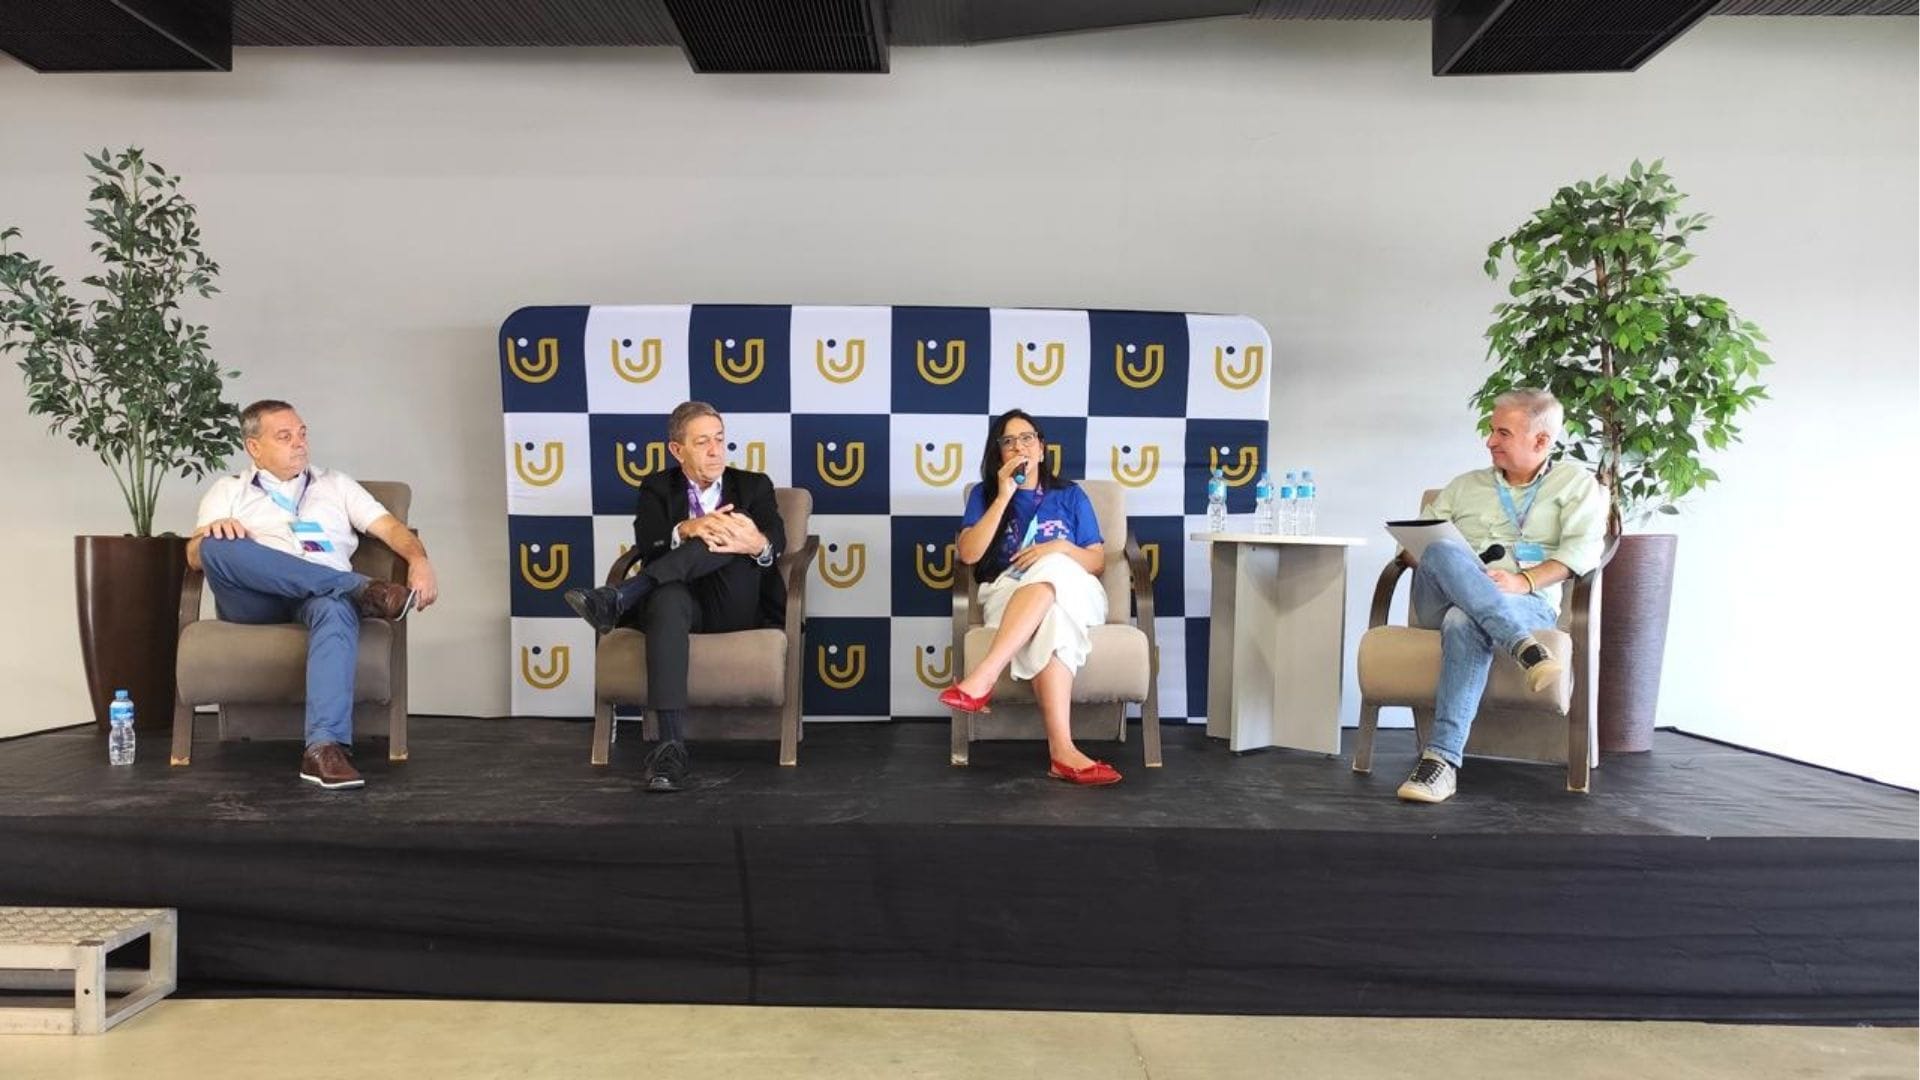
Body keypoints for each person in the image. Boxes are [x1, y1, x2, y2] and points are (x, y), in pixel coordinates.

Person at [187, 399, 438, 791]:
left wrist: (419, 559)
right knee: (214, 545)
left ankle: (323, 749)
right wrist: (217, 529)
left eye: (302, 433)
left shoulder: (336, 485)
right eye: (284, 436)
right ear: (254, 447)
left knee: (335, 607)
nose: (299, 443)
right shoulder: (229, 490)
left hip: (318, 599)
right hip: (254, 600)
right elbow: (194, 555)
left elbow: (392, 529)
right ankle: (361, 589)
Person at [1395, 388, 1607, 804]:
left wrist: (1523, 581)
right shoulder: (1463, 486)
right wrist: (1443, 560)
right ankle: (1524, 649)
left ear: (1541, 440)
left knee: (1464, 619)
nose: (1489, 441)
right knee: (1440, 550)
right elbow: (1410, 549)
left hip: (1525, 602)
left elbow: (1582, 553)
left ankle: (1440, 762)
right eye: (1492, 431)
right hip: (1441, 597)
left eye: (1502, 433)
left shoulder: (1574, 485)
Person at [562, 401, 785, 794]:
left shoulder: (754, 485)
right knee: (668, 597)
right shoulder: (656, 487)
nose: (715, 451)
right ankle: (670, 749)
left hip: (734, 603)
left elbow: (777, 542)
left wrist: (757, 543)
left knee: (731, 529)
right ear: (677, 450)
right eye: (702, 442)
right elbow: (649, 543)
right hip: (680, 603)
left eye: (720, 439)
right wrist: (685, 529)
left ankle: (623, 596)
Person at [939, 409, 1120, 786]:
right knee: (1053, 619)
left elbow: (1097, 562)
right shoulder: (985, 495)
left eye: (1027, 438)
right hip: (1010, 593)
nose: (1019, 447)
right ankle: (1063, 753)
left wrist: (1060, 548)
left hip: (1077, 589)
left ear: (1041, 448)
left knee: (1053, 568)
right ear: (999, 454)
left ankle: (983, 677)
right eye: (1008, 441)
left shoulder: (1070, 495)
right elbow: (969, 555)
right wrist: (1004, 496)